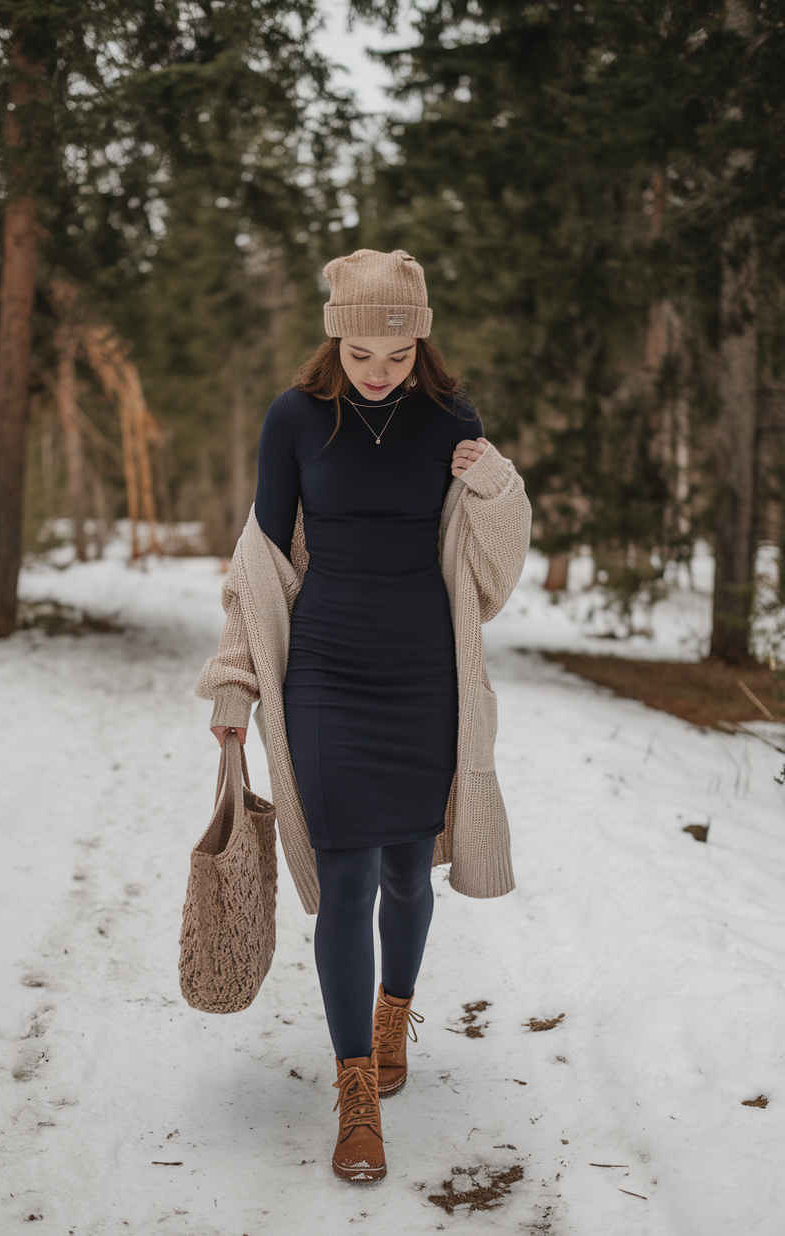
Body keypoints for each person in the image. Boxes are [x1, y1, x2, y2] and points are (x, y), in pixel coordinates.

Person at [195, 248, 531, 1182]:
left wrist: (495, 481)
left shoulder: (451, 418)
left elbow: (493, 571)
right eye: (360, 354)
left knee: (406, 872)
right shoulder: (294, 419)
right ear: (335, 337)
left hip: (426, 672)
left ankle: (394, 1013)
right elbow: (257, 561)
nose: (378, 372)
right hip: (328, 673)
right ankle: (355, 1096)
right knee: (345, 881)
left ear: (418, 338)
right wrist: (234, 680)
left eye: (395, 353)